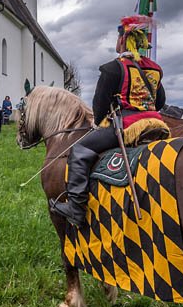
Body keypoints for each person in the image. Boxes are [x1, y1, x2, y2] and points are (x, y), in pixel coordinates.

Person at [50, 14, 168, 227]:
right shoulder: (155, 69)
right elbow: (160, 102)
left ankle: (76, 208)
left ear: (123, 40)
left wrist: (103, 119)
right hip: (157, 124)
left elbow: (100, 107)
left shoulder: (113, 68)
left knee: (79, 151)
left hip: (127, 126)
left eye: (118, 37)